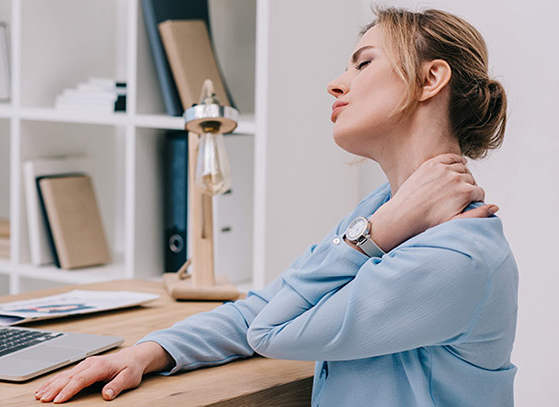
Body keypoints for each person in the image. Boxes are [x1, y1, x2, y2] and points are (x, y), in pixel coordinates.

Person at [35, 6, 517, 406]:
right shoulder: (381, 213)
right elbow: (261, 309)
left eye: (363, 64)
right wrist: (150, 351)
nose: (336, 83)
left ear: (431, 78)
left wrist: (375, 232)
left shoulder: (455, 255)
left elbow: (274, 331)